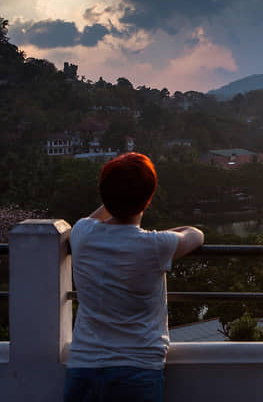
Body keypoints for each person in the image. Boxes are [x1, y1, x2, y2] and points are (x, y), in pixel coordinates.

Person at [64, 152, 204, 402]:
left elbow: (95, 217)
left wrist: (116, 195)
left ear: (103, 194)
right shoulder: (157, 245)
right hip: (137, 372)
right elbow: (195, 234)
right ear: (148, 199)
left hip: (82, 369)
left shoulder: (81, 233)